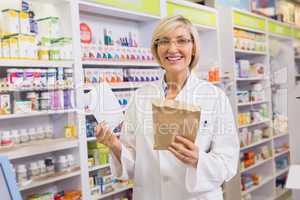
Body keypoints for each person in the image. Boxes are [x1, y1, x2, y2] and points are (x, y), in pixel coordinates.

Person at [95, 15, 239, 200]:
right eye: (164, 41)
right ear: (156, 49)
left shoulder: (215, 97)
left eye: (181, 41)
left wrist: (199, 160)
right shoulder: (140, 97)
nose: (172, 49)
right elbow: (132, 164)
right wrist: (114, 145)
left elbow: (227, 163)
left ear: (193, 48)